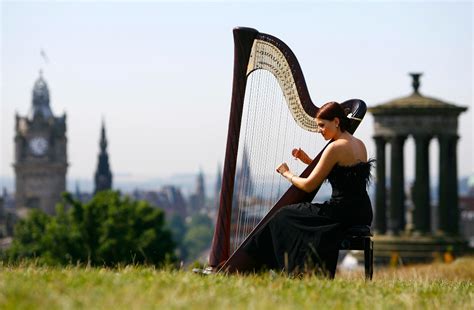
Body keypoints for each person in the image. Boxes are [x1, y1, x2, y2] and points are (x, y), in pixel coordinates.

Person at [241, 101, 373, 277]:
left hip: (340, 213)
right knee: (295, 216)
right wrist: (309, 161)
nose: (319, 130)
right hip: (362, 211)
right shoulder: (358, 143)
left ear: (336, 121)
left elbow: (309, 184)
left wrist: (287, 173)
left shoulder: (334, 147)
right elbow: (341, 173)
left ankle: (291, 270)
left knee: (283, 216)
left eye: (321, 125)